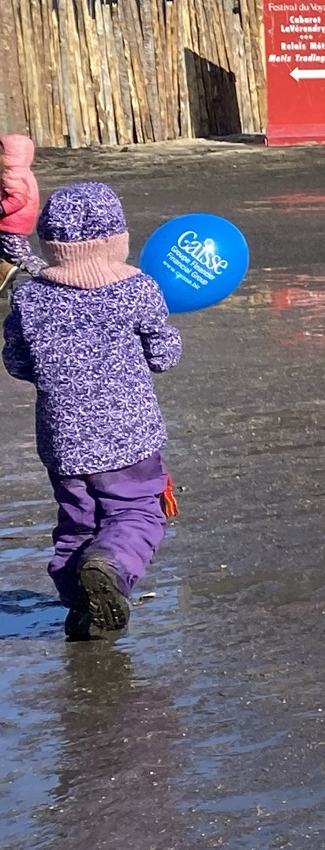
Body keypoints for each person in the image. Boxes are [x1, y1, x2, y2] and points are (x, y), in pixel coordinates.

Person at [3, 184, 181, 640]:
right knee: (138, 511)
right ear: (117, 239)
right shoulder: (138, 289)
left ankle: (80, 604)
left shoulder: (29, 297)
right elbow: (162, 356)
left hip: (63, 440)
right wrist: (168, 337)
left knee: (77, 518)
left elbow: (18, 362)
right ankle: (111, 566)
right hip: (130, 437)